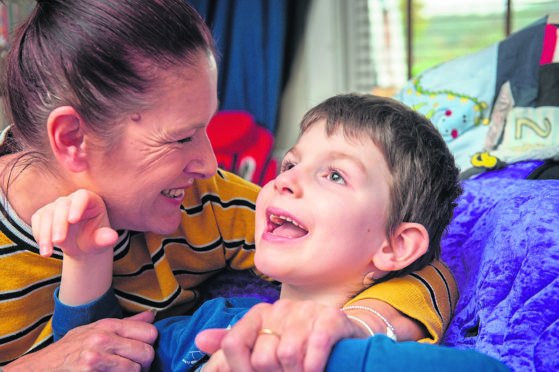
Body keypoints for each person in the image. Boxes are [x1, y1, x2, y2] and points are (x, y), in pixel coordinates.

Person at [0, 0, 457, 370]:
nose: (209, 162)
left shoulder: (213, 202)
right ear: (73, 139)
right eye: (180, 136)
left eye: (206, 127)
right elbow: (104, 350)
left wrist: (340, 332)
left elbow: (420, 261)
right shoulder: (204, 331)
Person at [43, 94, 509, 372]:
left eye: (334, 176)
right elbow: (94, 356)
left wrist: (323, 356)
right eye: (290, 163)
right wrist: (87, 260)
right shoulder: (213, 322)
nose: (284, 179)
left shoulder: (374, 351)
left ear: (395, 245)